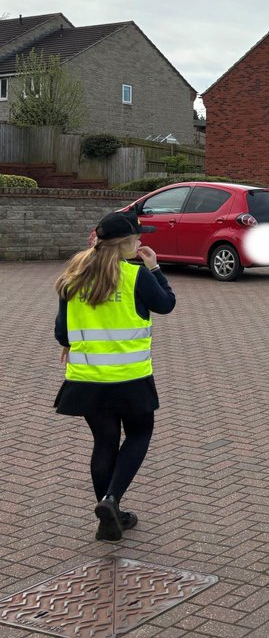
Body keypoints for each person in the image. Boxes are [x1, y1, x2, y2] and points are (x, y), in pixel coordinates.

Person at [53, 210, 176, 542]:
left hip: (86, 379)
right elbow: (166, 304)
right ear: (124, 244)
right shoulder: (136, 275)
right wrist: (155, 268)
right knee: (139, 434)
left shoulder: (74, 276)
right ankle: (111, 500)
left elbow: (62, 330)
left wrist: (69, 344)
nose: (140, 242)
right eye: (137, 238)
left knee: (104, 443)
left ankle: (109, 519)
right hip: (130, 378)